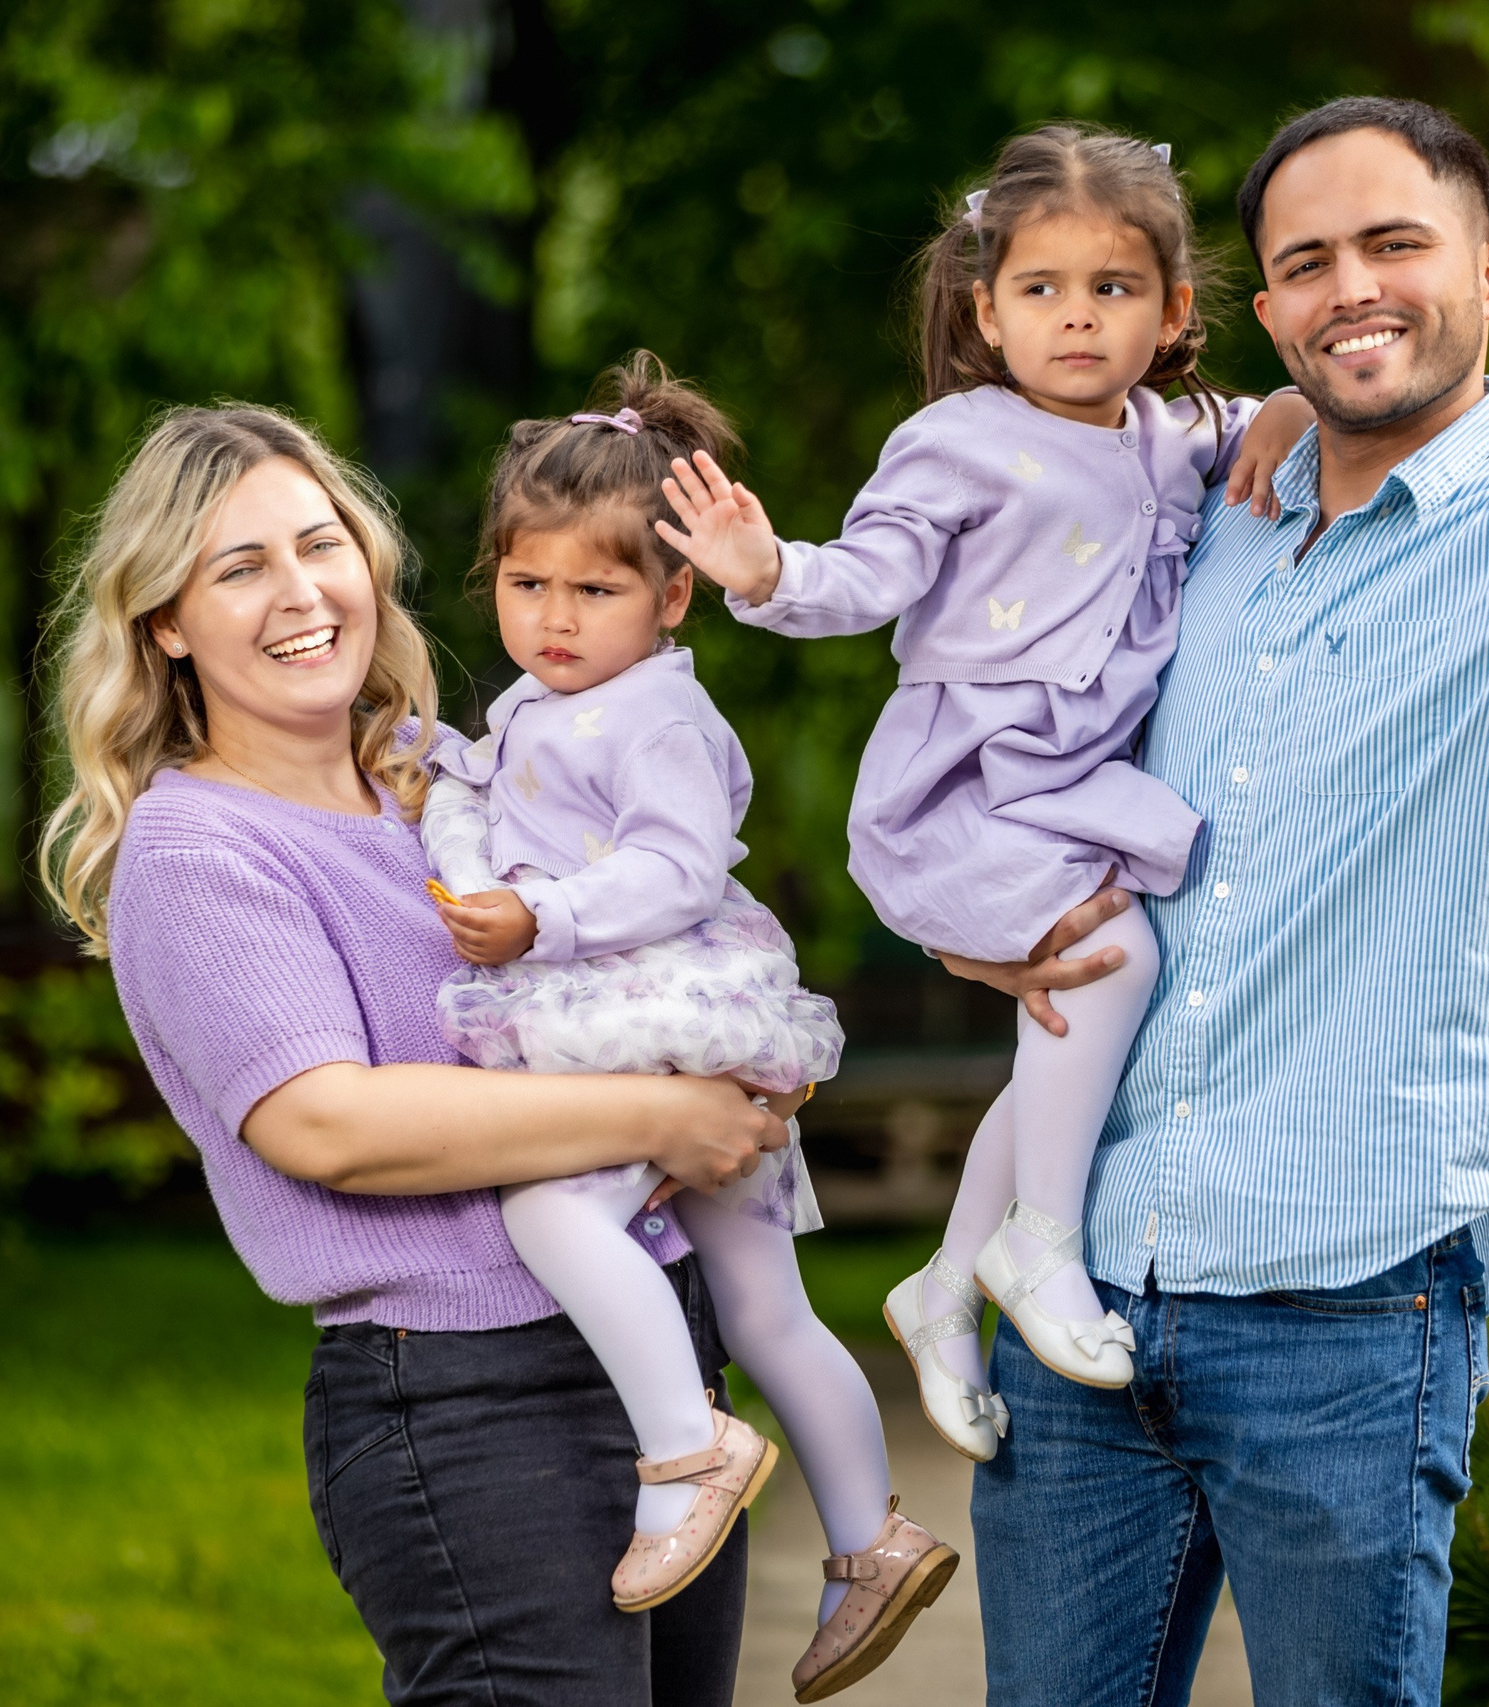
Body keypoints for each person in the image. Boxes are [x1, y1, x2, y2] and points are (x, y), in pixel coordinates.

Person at [946, 99, 1489, 1705]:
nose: (1352, 286)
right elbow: (1021, 709)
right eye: (1308, 263)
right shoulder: (1208, 515)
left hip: (1349, 1309)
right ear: (1268, 309)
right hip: (1084, 1286)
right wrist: (972, 903)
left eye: (1393, 245)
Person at [37, 402, 794, 1707]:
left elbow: (656, 928)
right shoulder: (199, 853)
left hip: (654, 1352)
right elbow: (327, 1125)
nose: (300, 592)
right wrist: (661, 1116)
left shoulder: (448, 777)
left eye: (318, 544)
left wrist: (755, 1052)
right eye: (240, 566)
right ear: (166, 622)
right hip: (464, 1402)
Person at [657, 125, 1311, 1462]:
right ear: (987, 312)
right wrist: (764, 566)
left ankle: (948, 1284)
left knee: (1082, 1007)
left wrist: (1293, 404)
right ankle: (1042, 1250)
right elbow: (869, 577)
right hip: (966, 786)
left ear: (1174, 310)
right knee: (1113, 962)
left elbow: (1274, 428)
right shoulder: (955, 442)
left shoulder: (1179, 433)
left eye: (1115, 289)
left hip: (1074, 787)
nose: (1078, 317)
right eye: (1042, 289)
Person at [419, 354, 956, 1701]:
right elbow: (484, 803)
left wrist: (541, 921)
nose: (552, 617)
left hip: (658, 1007)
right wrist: (445, 806)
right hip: (656, 1007)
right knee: (764, 1309)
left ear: (671, 595)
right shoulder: (541, 702)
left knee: (553, 1212)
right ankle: (869, 1540)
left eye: (593, 590)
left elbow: (675, 866)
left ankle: (687, 1450)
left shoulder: (655, 710)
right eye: (524, 582)